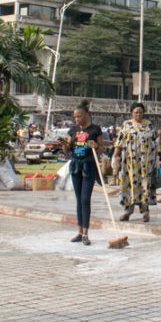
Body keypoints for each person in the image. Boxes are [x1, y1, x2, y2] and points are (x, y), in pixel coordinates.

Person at [66, 100, 103, 245]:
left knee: (85, 199)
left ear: (87, 115)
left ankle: (86, 233)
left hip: (89, 166)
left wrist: (96, 146)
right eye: (75, 117)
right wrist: (64, 146)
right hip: (76, 166)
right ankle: (79, 231)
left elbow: (101, 149)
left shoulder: (95, 130)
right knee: (78, 198)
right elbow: (69, 147)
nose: (77, 119)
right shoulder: (73, 130)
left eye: (80, 116)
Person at [112, 102, 156, 222]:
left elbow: (154, 142)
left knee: (144, 184)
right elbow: (119, 142)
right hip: (130, 162)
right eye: (136, 112)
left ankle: (145, 211)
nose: (138, 114)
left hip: (145, 161)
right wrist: (114, 157)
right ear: (131, 112)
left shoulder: (148, 125)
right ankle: (128, 210)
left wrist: (156, 158)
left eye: (141, 112)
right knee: (129, 184)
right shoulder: (126, 125)